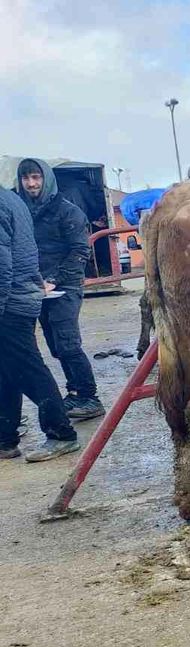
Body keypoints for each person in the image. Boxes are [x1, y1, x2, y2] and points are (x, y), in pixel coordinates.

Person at [15, 159, 105, 422]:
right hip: (35, 288)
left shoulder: (67, 211)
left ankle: (90, 397)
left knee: (68, 343)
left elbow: (80, 250)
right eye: (26, 178)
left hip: (64, 288)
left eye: (36, 177)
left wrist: (54, 279)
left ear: (46, 179)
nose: (31, 184)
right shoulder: (21, 212)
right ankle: (74, 392)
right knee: (55, 345)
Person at [0, 188, 81, 462]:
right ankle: (5, 439)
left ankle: (61, 433)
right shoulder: (10, 198)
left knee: (28, 369)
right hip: (19, 295)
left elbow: (1, 264)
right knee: (6, 371)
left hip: (10, 301)